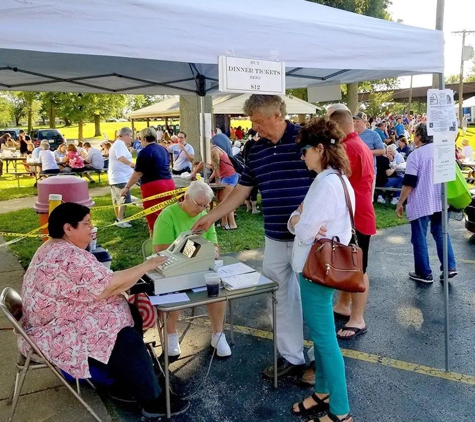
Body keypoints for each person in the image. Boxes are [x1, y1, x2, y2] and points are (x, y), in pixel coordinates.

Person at [20, 202, 189, 418]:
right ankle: (152, 402)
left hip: (57, 319)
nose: (92, 228)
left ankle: (127, 379)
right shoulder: (66, 256)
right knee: (125, 336)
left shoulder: (54, 247)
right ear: (68, 228)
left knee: (129, 313)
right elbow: (108, 286)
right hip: (55, 330)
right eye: (87, 224)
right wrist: (146, 266)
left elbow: (98, 284)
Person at [192, 95, 314, 379]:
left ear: (278, 114)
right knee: (278, 298)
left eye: (259, 121)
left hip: (309, 239)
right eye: (253, 122)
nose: (255, 127)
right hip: (274, 237)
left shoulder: (305, 139)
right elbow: (242, 190)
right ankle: (292, 357)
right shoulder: (254, 149)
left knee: (315, 300)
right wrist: (211, 215)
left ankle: (319, 361)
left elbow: (328, 178)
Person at [289, 117, 354, 422]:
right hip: (325, 269)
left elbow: (301, 230)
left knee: (325, 342)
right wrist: (301, 220)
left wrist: (301, 220)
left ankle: (341, 411)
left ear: (319, 148)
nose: (302, 157)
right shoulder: (338, 178)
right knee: (321, 337)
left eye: (304, 150)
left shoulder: (325, 182)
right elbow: (300, 222)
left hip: (315, 271)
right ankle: (324, 392)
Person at [152, 181, 231, 357]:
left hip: (199, 268)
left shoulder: (204, 215)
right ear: (186, 197)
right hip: (173, 270)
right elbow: (161, 250)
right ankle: (171, 334)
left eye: (205, 206)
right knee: (171, 291)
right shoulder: (168, 215)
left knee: (217, 288)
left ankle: (218, 334)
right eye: (199, 204)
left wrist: (213, 251)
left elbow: (215, 245)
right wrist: (199, 249)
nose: (201, 209)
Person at [329, 110, 375, 340]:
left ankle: (358, 318)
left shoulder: (348, 147)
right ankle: (343, 304)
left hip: (356, 216)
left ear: (336, 126)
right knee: (352, 264)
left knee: (358, 269)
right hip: (359, 213)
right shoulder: (357, 143)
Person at [396, 123, 457, 283]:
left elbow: (409, 183)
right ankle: (450, 266)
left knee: (419, 237)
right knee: (441, 233)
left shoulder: (416, 155)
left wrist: (400, 202)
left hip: (422, 201)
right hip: (442, 199)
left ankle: (424, 272)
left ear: (419, 136)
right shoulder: (443, 151)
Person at [121, 127, 175, 235]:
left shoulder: (144, 152)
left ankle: (155, 238)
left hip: (153, 185)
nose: (140, 141)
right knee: (164, 212)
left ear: (144, 139)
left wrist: (127, 187)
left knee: (152, 214)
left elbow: (138, 173)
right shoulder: (163, 149)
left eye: (140, 138)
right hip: (168, 183)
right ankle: (167, 233)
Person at [353, 112, 385, 199]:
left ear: (365, 122)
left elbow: (382, 150)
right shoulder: (350, 134)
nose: (355, 123)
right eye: (354, 121)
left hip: (368, 172)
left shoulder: (373, 135)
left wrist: (365, 152)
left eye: (357, 121)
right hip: (352, 172)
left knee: (367, 200)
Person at [108, 127, 135, 228]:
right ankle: (120, 220)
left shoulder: (118, 144)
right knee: (123, 199)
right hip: (120, 177)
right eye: (130, 136)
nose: (131, 138)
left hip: (117, 176)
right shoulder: (119, 144)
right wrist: (131, 164)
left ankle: (119, 218)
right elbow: (121, 157)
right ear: (125, 135)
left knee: (117, 199)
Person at [210, 134, 239, 230]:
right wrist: (209, 180)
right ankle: (224, 222)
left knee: (225, 201)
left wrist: (216, 181)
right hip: (227, 176)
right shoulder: (216, 149)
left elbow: (216, 169)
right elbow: (216, 169)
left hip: (229, 176)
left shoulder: (214, 151)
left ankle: (233, 224)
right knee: (220, 200)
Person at [242, 129, 260, 214]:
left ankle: (248, 207)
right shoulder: (256, 144)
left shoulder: (247, 144)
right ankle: (254, 209)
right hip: (255, 169)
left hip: (247, 167)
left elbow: (244, 156)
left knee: (247, 188)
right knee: (254, 189)